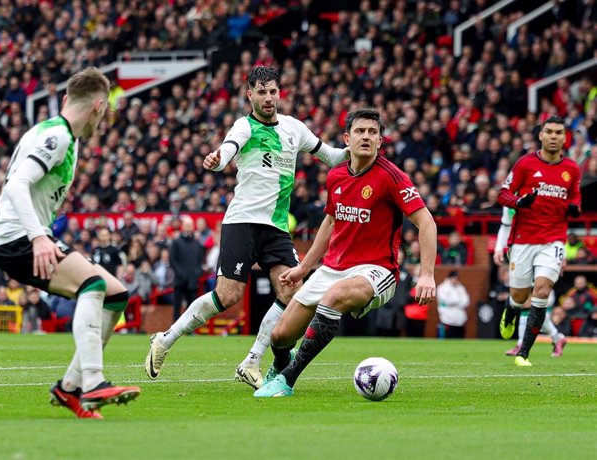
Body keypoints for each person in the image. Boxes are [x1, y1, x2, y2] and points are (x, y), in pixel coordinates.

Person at [145, 66, 351, 389]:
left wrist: (358, 150)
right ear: (250, 94)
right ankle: (165, 339)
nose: (268, 98)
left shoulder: (294, 129)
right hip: (242, 221)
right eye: (261, 92)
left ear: (279, 93)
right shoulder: (246, 125)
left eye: (273, 92)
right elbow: (231, 146)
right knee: (228, 296)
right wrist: (220, 157)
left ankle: (252, 361)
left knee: (292, 291)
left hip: (277, 228)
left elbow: (332, 157)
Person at [254, 108, 437, 397]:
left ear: (380, 141)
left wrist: (427, 274)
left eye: (372, 132)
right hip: (332, 268)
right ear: (346, 139)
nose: (366, 137)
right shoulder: (336, 175)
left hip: (376, 270)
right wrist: (305, 268)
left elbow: (426, 221)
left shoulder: (392, 177)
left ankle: (287, 379)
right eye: (360, 131)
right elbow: (330, 221)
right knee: (280, 336)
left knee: (334, 298)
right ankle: (281, 363)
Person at [0, 67, 140, 419]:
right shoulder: (57, 136)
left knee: (116, 294)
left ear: (65, 98)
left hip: (22, 236)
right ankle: (92, 382)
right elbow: (15, 185)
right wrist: (38, 236)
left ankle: (69, 387)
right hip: (18, 238)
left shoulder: (59, 134)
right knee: (93, 283)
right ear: (99, 107)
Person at [498, 116, 582, 366]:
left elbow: (575, 195)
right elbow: (503, 194)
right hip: (523, 240)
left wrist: (576, 206)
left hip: (553, 240)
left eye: (559, 132)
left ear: (565, 137)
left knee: (542, 290)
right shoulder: (525, 165)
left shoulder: (572, 170)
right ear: (541, 136)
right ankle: (511, 307)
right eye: (549, 132)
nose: (554, 136)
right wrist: (519, 202)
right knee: (519, 294)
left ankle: (524, 351)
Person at [493, 206, 568, 357]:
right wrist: (499, 247)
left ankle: (522, 344)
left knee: (529, 304)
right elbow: (506, 224)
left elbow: (556, 225)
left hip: (541, 253)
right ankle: (557, 337)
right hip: (520, 252)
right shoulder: (509, 200)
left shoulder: (541, 195)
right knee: (527, 304)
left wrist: (562, 254)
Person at [169, 217, 205, 322]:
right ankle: (173, 330)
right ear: (182, 227)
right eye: (186, 225)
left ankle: (190, 330)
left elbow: (200, 262)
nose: (188, 228)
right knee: (177, 306)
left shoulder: (197, 244)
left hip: (192, 281)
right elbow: (172, 261)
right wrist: (181, 273)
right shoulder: (176, 242)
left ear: (193, 227)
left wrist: (197, 273)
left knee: (192, 307)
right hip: (179, 280)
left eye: (190, 225)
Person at [436, 270, 470, 338]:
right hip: (447, 319)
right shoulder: (442, 287)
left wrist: (455, 302)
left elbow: (466, 301)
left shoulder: (461, 288)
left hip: (460, 320)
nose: (455, 280)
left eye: (457, 278)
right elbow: (445, 301)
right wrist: (458, 301)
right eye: (454, 278)